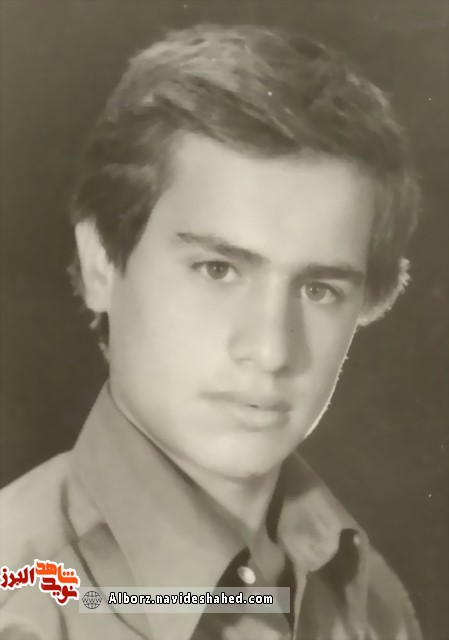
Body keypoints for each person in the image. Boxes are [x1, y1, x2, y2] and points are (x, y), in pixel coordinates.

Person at [0, 24, 422, 639]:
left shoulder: (368, 599)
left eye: (318, 290)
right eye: (218, 269)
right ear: (101, 266)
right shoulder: (21, 602)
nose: (271, 350)